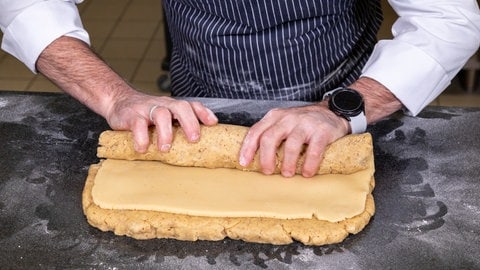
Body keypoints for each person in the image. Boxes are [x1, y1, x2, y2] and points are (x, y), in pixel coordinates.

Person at [1, 0, 480, 178]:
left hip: (342, 113)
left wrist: (342, 108)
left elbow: (449, 19)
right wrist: (115, 96)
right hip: (199, 102)